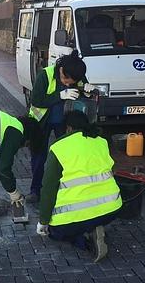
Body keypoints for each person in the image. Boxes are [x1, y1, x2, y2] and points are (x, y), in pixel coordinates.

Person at [36, 111, 122, 262]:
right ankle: (94, 226)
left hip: (77, 215)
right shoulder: (101, 141)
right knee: (90, 219)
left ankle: (87, 241)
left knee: (55, 232)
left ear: (68, 128)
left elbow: (48, 188)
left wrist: (43, 221)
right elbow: (112, 170)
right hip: (111, 209)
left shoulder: (58, 147)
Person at [27, 50, 94, 203]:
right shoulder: (45, 75)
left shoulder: (76, 75)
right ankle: (35, 190)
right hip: (41, 121)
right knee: (39, 156)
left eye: (71, 82)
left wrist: (87, 92)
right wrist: (60, 95)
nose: (68, 83)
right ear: (61, 70)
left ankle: (65, 188)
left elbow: (83, 88)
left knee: (67, 155)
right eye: (66, 79)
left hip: (63, 122)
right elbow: (36, 100)